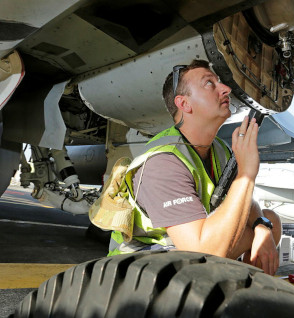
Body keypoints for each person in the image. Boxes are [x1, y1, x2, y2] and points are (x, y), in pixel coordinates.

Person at [108, 59, 281, 275]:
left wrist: (262, 226)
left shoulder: (220, 149)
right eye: (209, 83)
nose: (226, 89)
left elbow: (243, 201)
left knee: (270, 220)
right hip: (140, 269)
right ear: (184, 104)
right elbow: (202, 252)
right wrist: (246, 174)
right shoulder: (163, 162)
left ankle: (240, 293)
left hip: (187, 250)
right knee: (229, 243)